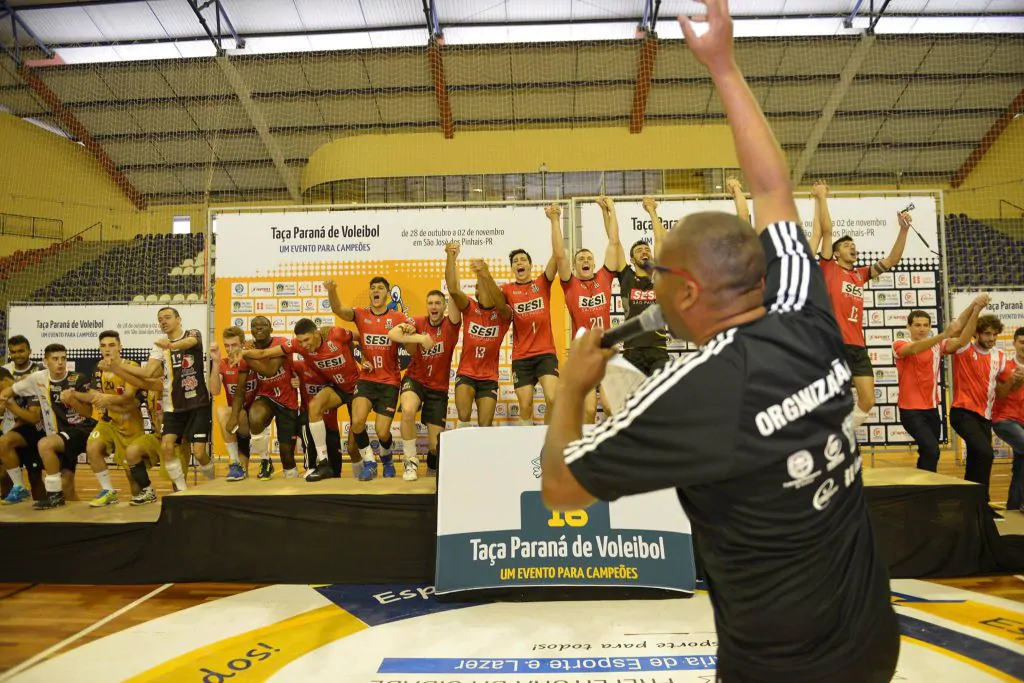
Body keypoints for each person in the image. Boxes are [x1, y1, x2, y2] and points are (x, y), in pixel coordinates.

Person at [539, 3, 898, 681]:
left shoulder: (696, 391)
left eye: (659, 273)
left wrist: (575, 388)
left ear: (687, 293)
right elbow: (772, 188)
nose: (652, 280)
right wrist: (723, 67)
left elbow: (560, 487)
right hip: (873, 636)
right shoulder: (802, 304)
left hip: (781, 667)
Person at [815, 182, 911, 429]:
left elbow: (892, 260)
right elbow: (827, 231)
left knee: (867, 400)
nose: (852, 247)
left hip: (857, 345)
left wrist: (903, 230)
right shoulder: (828, 267)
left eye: (853, 245)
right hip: (832, 344)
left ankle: (842, 434)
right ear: (836, 253)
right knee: (829, 401)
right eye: (846, 245)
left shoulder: (860, 274)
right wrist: (821, 198)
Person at [325, 276, 425, 481]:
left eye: (380, 288)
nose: (376, 291)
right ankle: (370, 461)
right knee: (357, 423)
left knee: (382, 432)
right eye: (373, 288)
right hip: (367, 379)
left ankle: (387, 457)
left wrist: (410, 332)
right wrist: (332, 291)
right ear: (370, 293)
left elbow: (410, 346)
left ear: (387, 293)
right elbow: (339, 310)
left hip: (389, 382)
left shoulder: (398, 317)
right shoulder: (361, 314)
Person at [240, 317, 362, 482]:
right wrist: (243, 352)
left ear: (317, 335)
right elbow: (267, 355)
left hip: (349, 397)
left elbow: (359, 337)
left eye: (307, 340)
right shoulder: (299, 363)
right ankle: (315, 465)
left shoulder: (334, 340)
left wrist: (365, 358)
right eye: (301, 342)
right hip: (320, 410)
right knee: (310, 416)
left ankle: (362, 473)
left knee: (353, 448)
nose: (305, 345)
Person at [473, 217, 560, 425]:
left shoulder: (542, 282)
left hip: (546, 353)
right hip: (522, 357)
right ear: (512, 268)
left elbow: (558, 255)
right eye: (515, 261)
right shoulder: (507, 289)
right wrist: (484, 275)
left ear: (530, 264)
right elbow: (487, 300)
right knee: (526, 405)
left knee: (554, 399)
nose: (519, 262)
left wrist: (554, 220)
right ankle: (528, 445)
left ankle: (547, 439)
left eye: (523, 259)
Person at [113, 306, 215, 482]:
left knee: (199, 453)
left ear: (178, 319)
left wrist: (171, 345)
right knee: (167, 447)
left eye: (167, 317)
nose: (163, 322)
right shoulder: (158, 347)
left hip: (197, 404)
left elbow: (189, 343)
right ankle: (181, 491)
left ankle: (213, 483)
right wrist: (117, 365)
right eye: (160, 319)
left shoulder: (192, 334)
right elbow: (148, 373)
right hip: (173, 407)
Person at [0, 344, 96, 509]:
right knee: (67, 487)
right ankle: (80, 520)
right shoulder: (37, 378)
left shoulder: (78, 379)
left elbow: (88, 413)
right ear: (45, 361)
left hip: (80, 430)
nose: (60, 363)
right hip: (57, 436)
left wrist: (72, 401)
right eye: (55, 359)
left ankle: (53, 495)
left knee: (45, 444)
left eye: (63, 358)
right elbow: (9, 391)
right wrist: (3, 401)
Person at [893, 300, 984, 472]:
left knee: (929, 453)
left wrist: (975, 308)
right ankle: (926, 490)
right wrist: (944, 335)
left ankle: (924, 488)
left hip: (932, 410)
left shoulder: (938, 345)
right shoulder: (899, 343)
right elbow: (913, 350)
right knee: (931, 450)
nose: (922, 329)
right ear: (908, 327)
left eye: (926, 325)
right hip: (911, 411)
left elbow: (961, 337)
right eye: (917, 325)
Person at [557, 198, 623, 423]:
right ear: (575, 267)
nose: (585, 260)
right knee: (587, 411)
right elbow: (559, 258)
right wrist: (556, 221)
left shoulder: (604, 278)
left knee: (610, 406)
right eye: (580, 259)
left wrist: (611, 211)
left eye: (588, 258)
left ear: (593, 264)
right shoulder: (570, 284)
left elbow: (614, 243)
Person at [82, 330, 166, 505]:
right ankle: (108, 491)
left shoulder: (130, 365)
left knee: (132, 474)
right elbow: (96, 394)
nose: (108, 349)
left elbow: (129, 397)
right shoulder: (98, 368)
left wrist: (108, 400)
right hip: (108, 421)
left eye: (112, 345)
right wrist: (88, 396)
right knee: (93, 448)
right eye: (103, 346)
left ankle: (141, 500)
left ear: (120, 347)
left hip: (130, 424)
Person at [445, 243, 511, 429]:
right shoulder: (470, 308)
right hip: (466, 373)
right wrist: (451, 256)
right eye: (477, 286)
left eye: (482, 285)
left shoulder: (504, 315)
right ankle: (464, 455)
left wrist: (484, 273)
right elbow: (453, 288)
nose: (479, 288)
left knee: (485, 424)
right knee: (464, 415)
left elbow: (499, 300)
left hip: (489, 377)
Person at [400, 286, 461, 480]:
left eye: (438, 303)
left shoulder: (451, 325)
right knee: (408, 411)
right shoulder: (418, 322)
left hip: (438, 388)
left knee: (436, 447)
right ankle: (410, 462)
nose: (434, 306)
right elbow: (393, 334)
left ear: (444, 306)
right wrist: (419, 337)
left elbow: (454, 291)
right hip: (415, 379)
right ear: (426, 306)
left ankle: (433, 468)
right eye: (430, 303)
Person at [232, 316, 300, 480]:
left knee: (287, 455)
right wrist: (234, 415)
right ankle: (265, 460)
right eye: (255, 325)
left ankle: (293, 482)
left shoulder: (280, 343)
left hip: (287, 400)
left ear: (271, 329)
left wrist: (246, 355)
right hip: (266, 397)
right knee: (254, 416)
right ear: (251, 331)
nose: (259, 327)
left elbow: (269, 370)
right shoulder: (246, 350)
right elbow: (240, 388)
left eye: (263, 325)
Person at [950, 312, 1006, 508]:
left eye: (994, 334)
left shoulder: (1000, 356)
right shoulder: (964, 347)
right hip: (962, 412)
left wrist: (1015, 380)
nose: (991, 338)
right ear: (977, 334)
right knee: (985, 454)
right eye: (987, 334)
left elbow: (1002, 390)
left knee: (976, 457)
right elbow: (963, 332)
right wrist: (976, 308)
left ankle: (970, 505)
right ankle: (982, 503)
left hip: (985, 416)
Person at [616, 198, 670, 376]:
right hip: (632, 351)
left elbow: (661, 239)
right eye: (639, 251)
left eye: (646, 249)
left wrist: (652, 211)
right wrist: (608, 211)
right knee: (631, 401)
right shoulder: (626, 277)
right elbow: (614, 242)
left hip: (658, 350)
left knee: (661, 396)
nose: (644, 251)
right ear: (632, 260)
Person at [0, 335, 44, 501]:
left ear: (30, 351)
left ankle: (43, 518)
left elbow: (34, 416)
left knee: (35, 476)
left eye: (21, 351)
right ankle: (8, 520)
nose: (17, 355)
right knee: (4, 477)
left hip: (34, 430)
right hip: (10, 429)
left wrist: (9, 404)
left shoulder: (38, 372)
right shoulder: (5, 370)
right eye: (13, 352)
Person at [209, 326, 256, 481]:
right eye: (226, 346)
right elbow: (214, 391)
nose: (230, 349)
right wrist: (215, 363)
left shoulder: (252, 358)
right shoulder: (223, 364)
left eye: (234, 345)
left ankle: (243, 463)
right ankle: (235, 462)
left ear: (243, 344)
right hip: (236, 417)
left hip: (256, 416)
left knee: (236, 413)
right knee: (222, 411)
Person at [994, 327, 1024, 511]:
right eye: (1022, 342)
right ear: (1014, 343)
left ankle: (1014, 504)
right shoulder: (1004, 366)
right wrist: (1012, 380)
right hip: (1004, 419)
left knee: (1021, 461)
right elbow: (1000, 394)